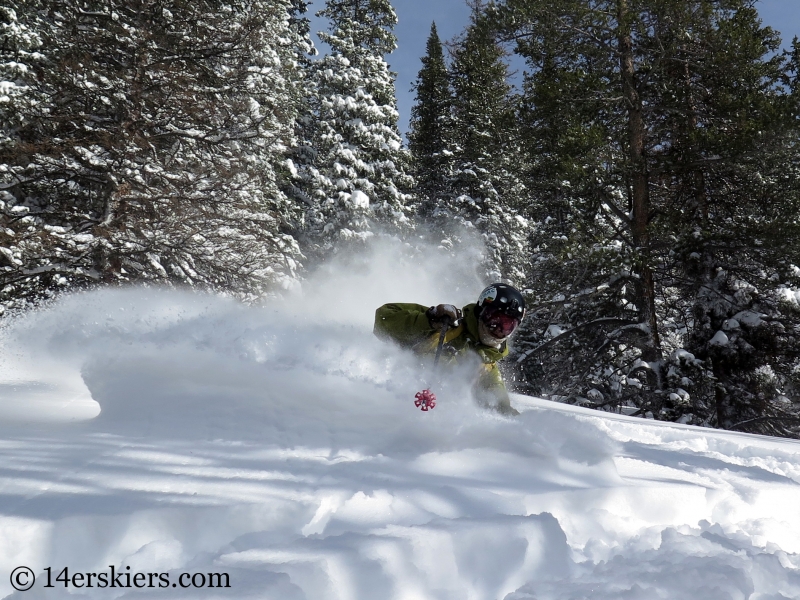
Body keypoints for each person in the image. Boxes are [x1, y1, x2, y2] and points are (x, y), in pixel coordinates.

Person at [374, 283, 526, 415]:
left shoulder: (487, 364)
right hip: (387, 396)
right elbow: (383, 318)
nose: (498, 330)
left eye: (507, 325)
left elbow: (499, 404)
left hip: (426, 428)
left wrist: (516, 422)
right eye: (494, 320)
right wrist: (429, 320)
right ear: (481, 312)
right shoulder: (446, 327)